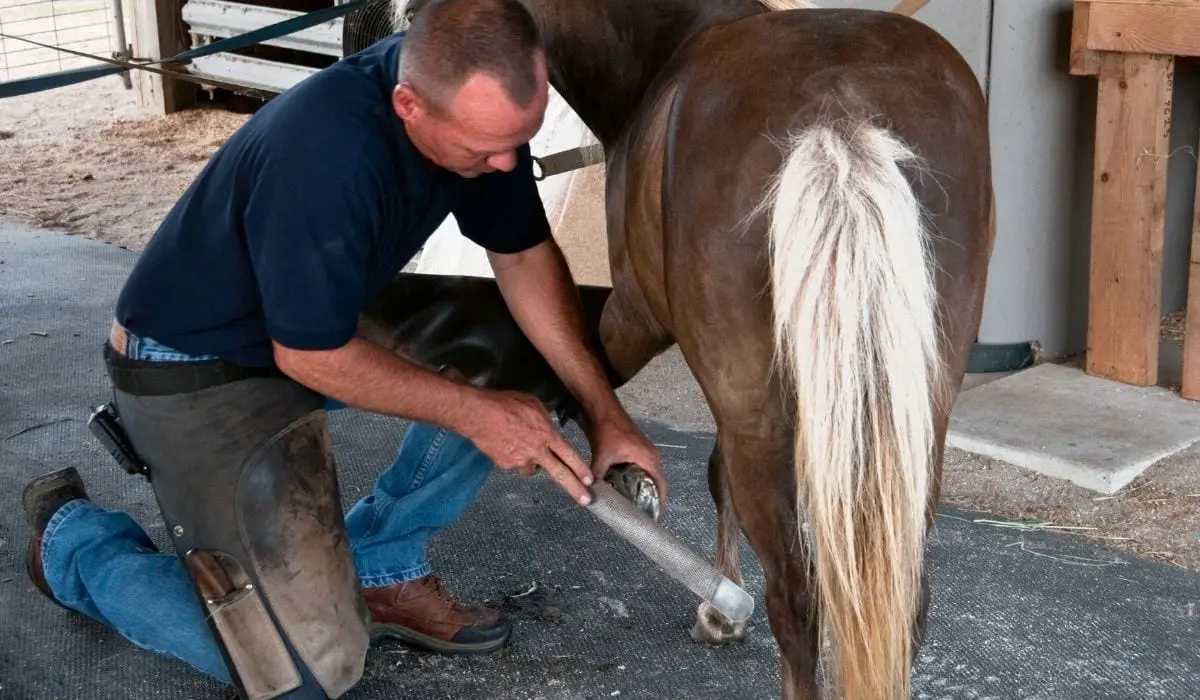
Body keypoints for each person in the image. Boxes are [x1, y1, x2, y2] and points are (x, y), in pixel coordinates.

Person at [20, 0, 665, 697]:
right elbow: (310, 356)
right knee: (299, 675)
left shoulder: (476, 118)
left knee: (531, 353)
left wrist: (606, 413)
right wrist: (478, 414)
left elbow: (522, 256)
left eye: (520, 140)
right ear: (409, 105)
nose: (507, 163)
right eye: (487, 150)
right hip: (196, 366)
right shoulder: (328, 152)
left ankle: (382, 563)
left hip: (317, 325)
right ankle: (75, 544)